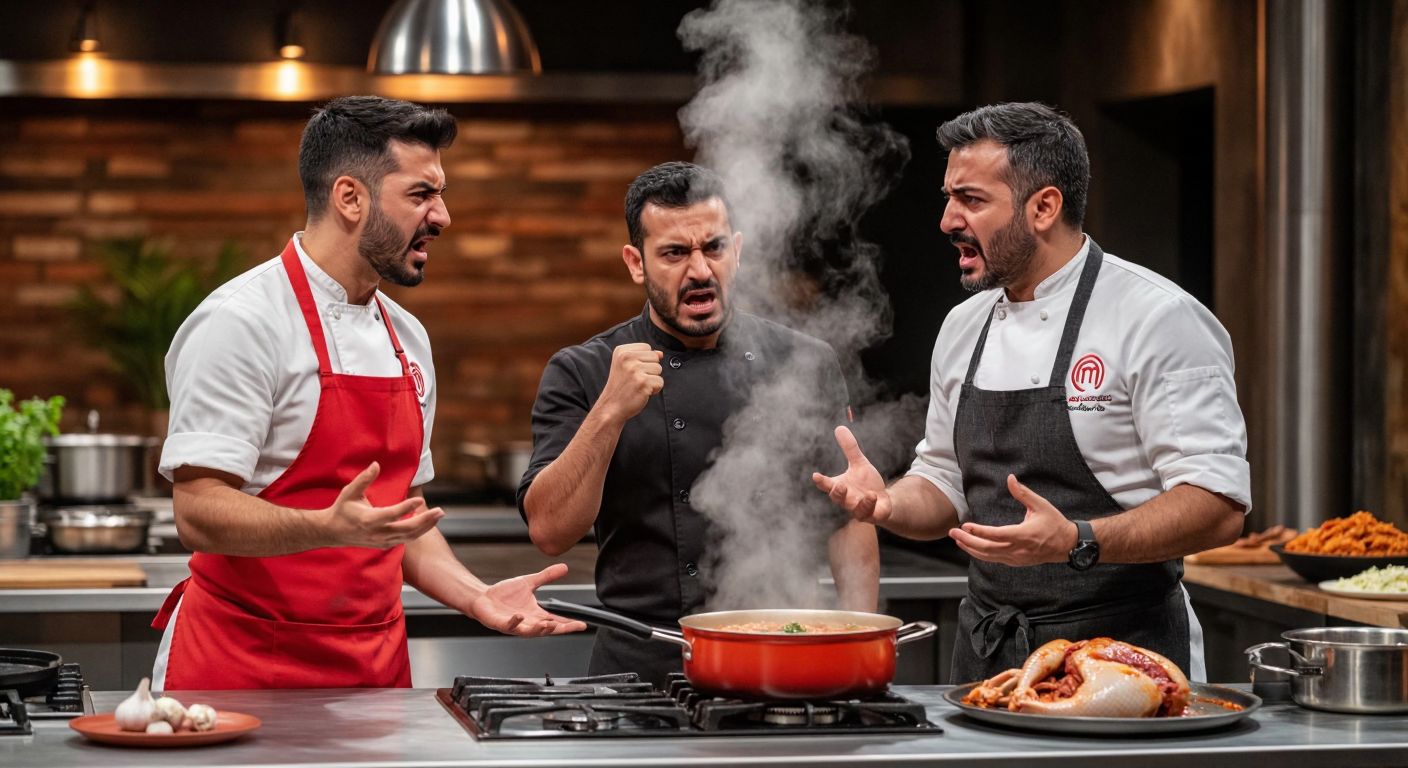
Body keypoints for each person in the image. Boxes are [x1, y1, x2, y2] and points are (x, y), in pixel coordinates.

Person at [152, 95, 584, 691]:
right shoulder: (242, 321)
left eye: (441, 194)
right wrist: (326, 528)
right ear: (350, 198)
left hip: (373, 673)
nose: (443, 216)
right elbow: (198, 510)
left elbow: (403, 517)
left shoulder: (406, 336)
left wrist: (478, 596)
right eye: (421, 194)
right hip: (241, 670)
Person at [813, 102, 1250, 684]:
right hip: (988, 660)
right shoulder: (964, 324)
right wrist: (890, 505)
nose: (946, 220)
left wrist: (1078, 540)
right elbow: (944, 482)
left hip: (1124, 660)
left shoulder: (1156, 318)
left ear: (1043, 207)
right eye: (948, 197)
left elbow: (1216, 505)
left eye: (971, 199)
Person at [519, 161, 880, 688]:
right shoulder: (584, 370)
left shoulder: (804, 361)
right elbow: (550, 532)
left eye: (712, 248)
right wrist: (610, 412)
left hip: (778, 653)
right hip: (638, 668)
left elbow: (849, 516)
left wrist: (858, 641)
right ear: (635, 263)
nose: (700, 271)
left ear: (737, 249)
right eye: (673, 253)